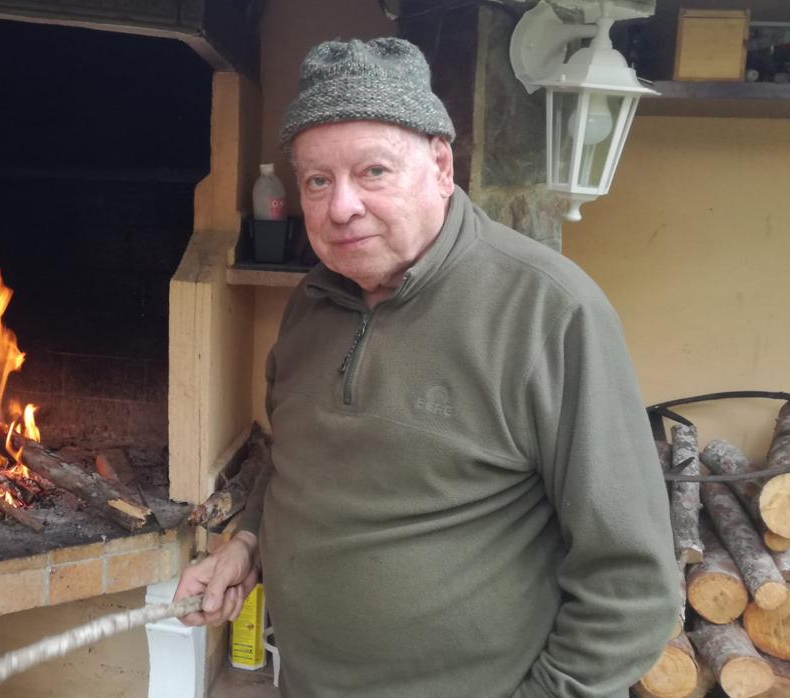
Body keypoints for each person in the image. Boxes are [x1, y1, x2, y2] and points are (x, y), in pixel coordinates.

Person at [174, 37, 679, 698]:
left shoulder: (550, 312)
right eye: (317, 181)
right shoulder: (312, 303)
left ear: (441, 166)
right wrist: (245, 547)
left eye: (373, 172)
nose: (341, 206)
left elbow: (633, 586)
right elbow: (299, 463)